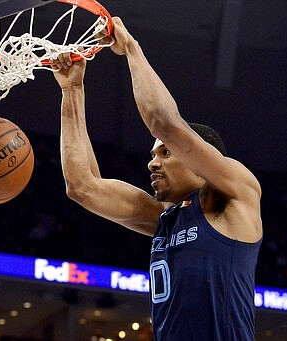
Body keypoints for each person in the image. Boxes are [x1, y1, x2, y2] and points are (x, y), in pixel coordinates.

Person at [51, 17, 262, 341]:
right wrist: (72, 91)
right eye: (153, 155)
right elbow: (82, 186)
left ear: (199, 161)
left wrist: (131, 49)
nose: (153, 162)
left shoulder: (237, 196)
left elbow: (163, 121)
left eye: (165, 153)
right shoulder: (165, 218)